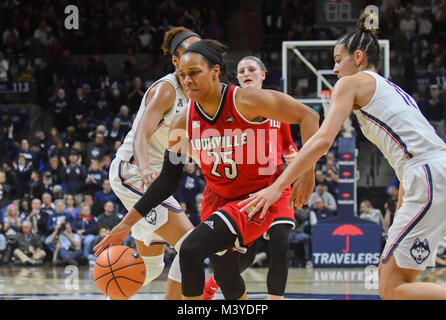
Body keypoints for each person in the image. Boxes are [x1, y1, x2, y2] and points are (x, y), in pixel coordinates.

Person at [239, 12, 446, 300]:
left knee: (392, 288)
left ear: (358, 57)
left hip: (428, 176)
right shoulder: (392, 89)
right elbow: (410, 159)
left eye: (338, 60)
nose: (335, 69)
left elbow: (323, 139)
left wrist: (277, 187)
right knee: (395, 281)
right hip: (431, 173)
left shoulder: (351, 83)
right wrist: (402, 208)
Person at [95, 39, 319, 300]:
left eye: (194, 73)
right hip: (219, 199)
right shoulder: (181, 121)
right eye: (182, 75)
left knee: (190, 249)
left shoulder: (246, 100)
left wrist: (308, 173)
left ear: (215, 71)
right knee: (225, 276)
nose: (187, 80)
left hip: (256, 197)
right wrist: (124, 226)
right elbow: (168, 181)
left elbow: (309, 117)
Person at [99, 27, 201, 300]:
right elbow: (141, 134)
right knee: (190, 245)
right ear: (176, 61)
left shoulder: (198, 92)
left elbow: (181, 145)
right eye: (189, 52)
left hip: (158, 181)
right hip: (133, 171)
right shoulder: (167, 89)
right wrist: (145, 168)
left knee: (151, 267)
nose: (196, 57)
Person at [203, 55, 299, 300]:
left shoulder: (278, 105)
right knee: (243, 257)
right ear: (237, 78)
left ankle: (275, 299)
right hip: (244, 188)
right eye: (242, 70)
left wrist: (293, 155)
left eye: (252, 69)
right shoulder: (230, 107)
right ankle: (215, 281)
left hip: (277, 184)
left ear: (263, 75)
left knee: (280, 243)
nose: (247, 73)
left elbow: (287, 144)